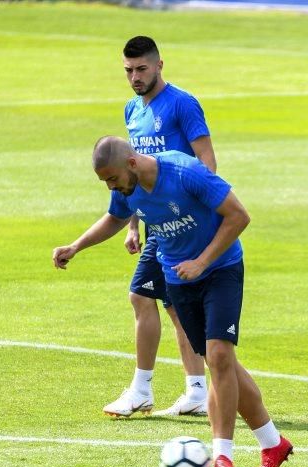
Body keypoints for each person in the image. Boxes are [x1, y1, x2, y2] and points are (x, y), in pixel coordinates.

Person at [52, 136, 293, 467]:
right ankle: (273, 443)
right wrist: (76, 246)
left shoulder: (185, 172)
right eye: (105, 182)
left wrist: (201, 261)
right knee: (219, 361)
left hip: (221, 268)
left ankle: (222, 454)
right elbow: (115, 217)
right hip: (179, 279)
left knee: (220, 356)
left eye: (112, 180)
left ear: (132, 163)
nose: (111, 187)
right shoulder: (125, 187)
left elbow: (239, 216)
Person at [109, 36, 218, 417]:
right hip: (155, 222)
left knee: (142, 296)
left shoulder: (183, 104)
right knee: (173, 307)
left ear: (159, 65)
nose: (134, 77)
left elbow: (207, 163)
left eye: (141, 69)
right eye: (128, 71)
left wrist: (192, 215)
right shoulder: (131, 110)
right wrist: (133, 225)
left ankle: (142, 389)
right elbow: (132, 172)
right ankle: (197, 390)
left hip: (180, 221)